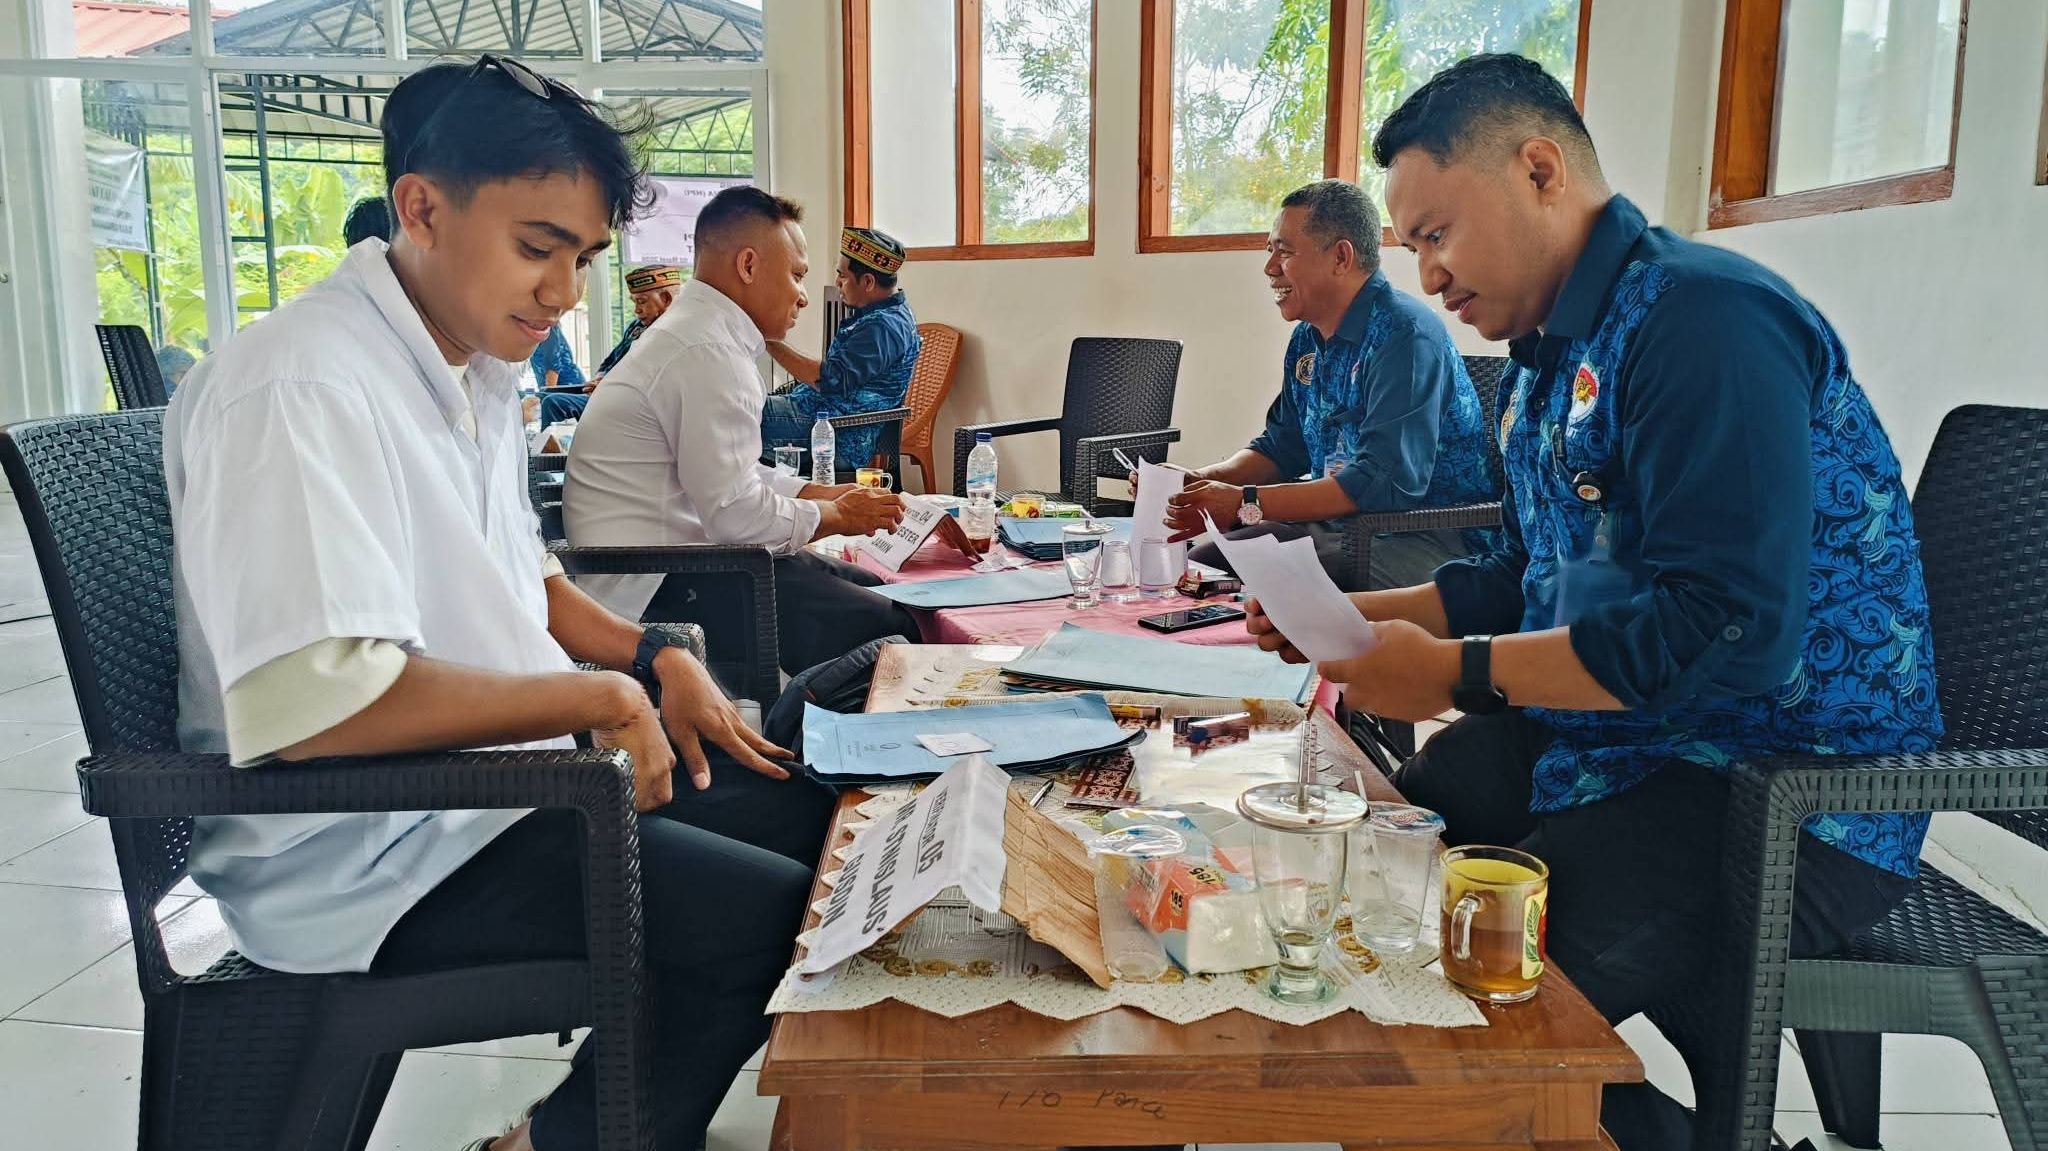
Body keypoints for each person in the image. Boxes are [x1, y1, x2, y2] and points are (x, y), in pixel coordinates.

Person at [1246, 54, 1941, 1151]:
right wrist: (1370, 619)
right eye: (1414, 244)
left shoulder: (1702, 321)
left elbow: (1723, 634)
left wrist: (1457, 672)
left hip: (1778, 787)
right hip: (1624, 739)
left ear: (1539, 171)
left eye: (1437, 232)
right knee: (1386, 854)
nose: (1428, 272)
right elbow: (1521, 574)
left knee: (1453, 1016)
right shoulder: (1544, 361)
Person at [163, 56, 823, 1151]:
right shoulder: (302, 382)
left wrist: (652, 657)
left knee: (813, 813)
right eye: (536, 248)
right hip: (373, 851)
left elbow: (528, 577)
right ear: (422, 208)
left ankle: (565, 1130)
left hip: (500, 796)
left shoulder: (466, 368)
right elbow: (317, 705)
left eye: (584, 259)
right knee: (765, 917)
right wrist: (596, 697)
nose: (563, 292)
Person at [563, 186, 918, 676]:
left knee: (875, 589)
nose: (802, 296)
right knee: (890, 629)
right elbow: (737, 515)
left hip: (676, 560)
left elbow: (733, 475)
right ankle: (810, 725)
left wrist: (819, 493)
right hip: (656, 588)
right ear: (749, 266)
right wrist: (836, 515)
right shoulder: (707, 352)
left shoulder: (697, 334)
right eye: (797, 275)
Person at [1156, 179, 1495, 591]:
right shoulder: (1308, 338)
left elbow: (1381, 483)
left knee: (1266, 579)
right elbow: (1282, 446)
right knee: (1203, 566)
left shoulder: (1405, 335)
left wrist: (1245, 503)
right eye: (1269, 251)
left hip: (1424, 536)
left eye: (1284, 252)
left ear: (1340, 257)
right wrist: (1202, 480)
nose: (1270, 268)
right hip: (1339, 527)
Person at [761, 226, 921, 471]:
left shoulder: (883, 326)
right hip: (815, 414)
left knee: (733, 412)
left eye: (842, 276)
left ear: (868, 282)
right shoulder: (887, 315)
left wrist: (768, 340)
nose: (837, 282)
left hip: (834, 433)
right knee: (739, 404)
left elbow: (830, 380)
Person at [538, 263, 679, 426]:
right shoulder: (637, 326)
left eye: (642, 301)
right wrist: (598, 380)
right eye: (635, 302)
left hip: (631, 404)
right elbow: (610, 361)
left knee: (554, 403)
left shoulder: (673, 335)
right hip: (609, 392)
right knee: (541, 396)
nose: (637, 310)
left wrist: (607, 387)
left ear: (666, 299)